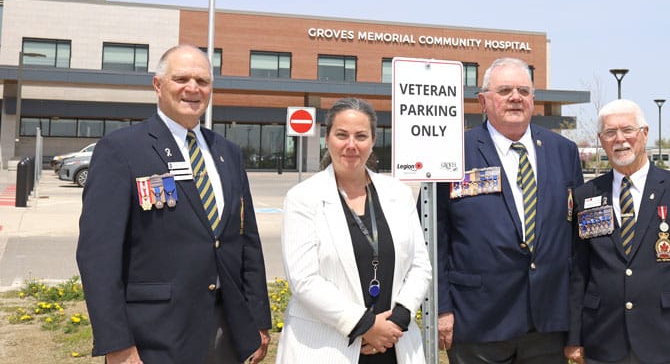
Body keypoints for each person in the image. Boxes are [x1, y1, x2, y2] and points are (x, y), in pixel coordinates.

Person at [76, 45, 272, 363]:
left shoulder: (228, 152)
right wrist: (117, 344)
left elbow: (247, 243)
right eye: (181, 78)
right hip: (155, 335)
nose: (193, 88)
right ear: (158, 85)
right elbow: (98, 256)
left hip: (227, 332)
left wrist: (258, 321)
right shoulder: (122, 150)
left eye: (203, 81)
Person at [436, 57, 584, 363]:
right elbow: (435, 235)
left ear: (533, 99)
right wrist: (441, 308)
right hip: (477, 320)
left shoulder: (563, 151)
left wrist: (575, 320)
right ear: (483, 101)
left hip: (547, 324)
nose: (515, 97)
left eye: (523, 90)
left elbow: (575, 242)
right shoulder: (452, 153)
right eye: (504, 90)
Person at [276, 97, 432, 364]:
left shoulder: (398, 194)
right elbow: (304, 279)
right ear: (327, 139)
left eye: (361, 136)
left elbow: (420, 266)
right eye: (342, 135)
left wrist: (399, 319)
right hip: (326, 347)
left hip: (393, 344)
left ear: (372, 141)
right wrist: (365, 326)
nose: (351, 145)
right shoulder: (303, 197)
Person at [566, 99, 670, 364]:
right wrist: (574, 337)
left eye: (627, 130)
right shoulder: (586, 196)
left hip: (668, 339)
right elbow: (578, 272)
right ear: (601, 140)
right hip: (602, 340)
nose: (620, 140)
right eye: (610, 133)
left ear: (644, 133)